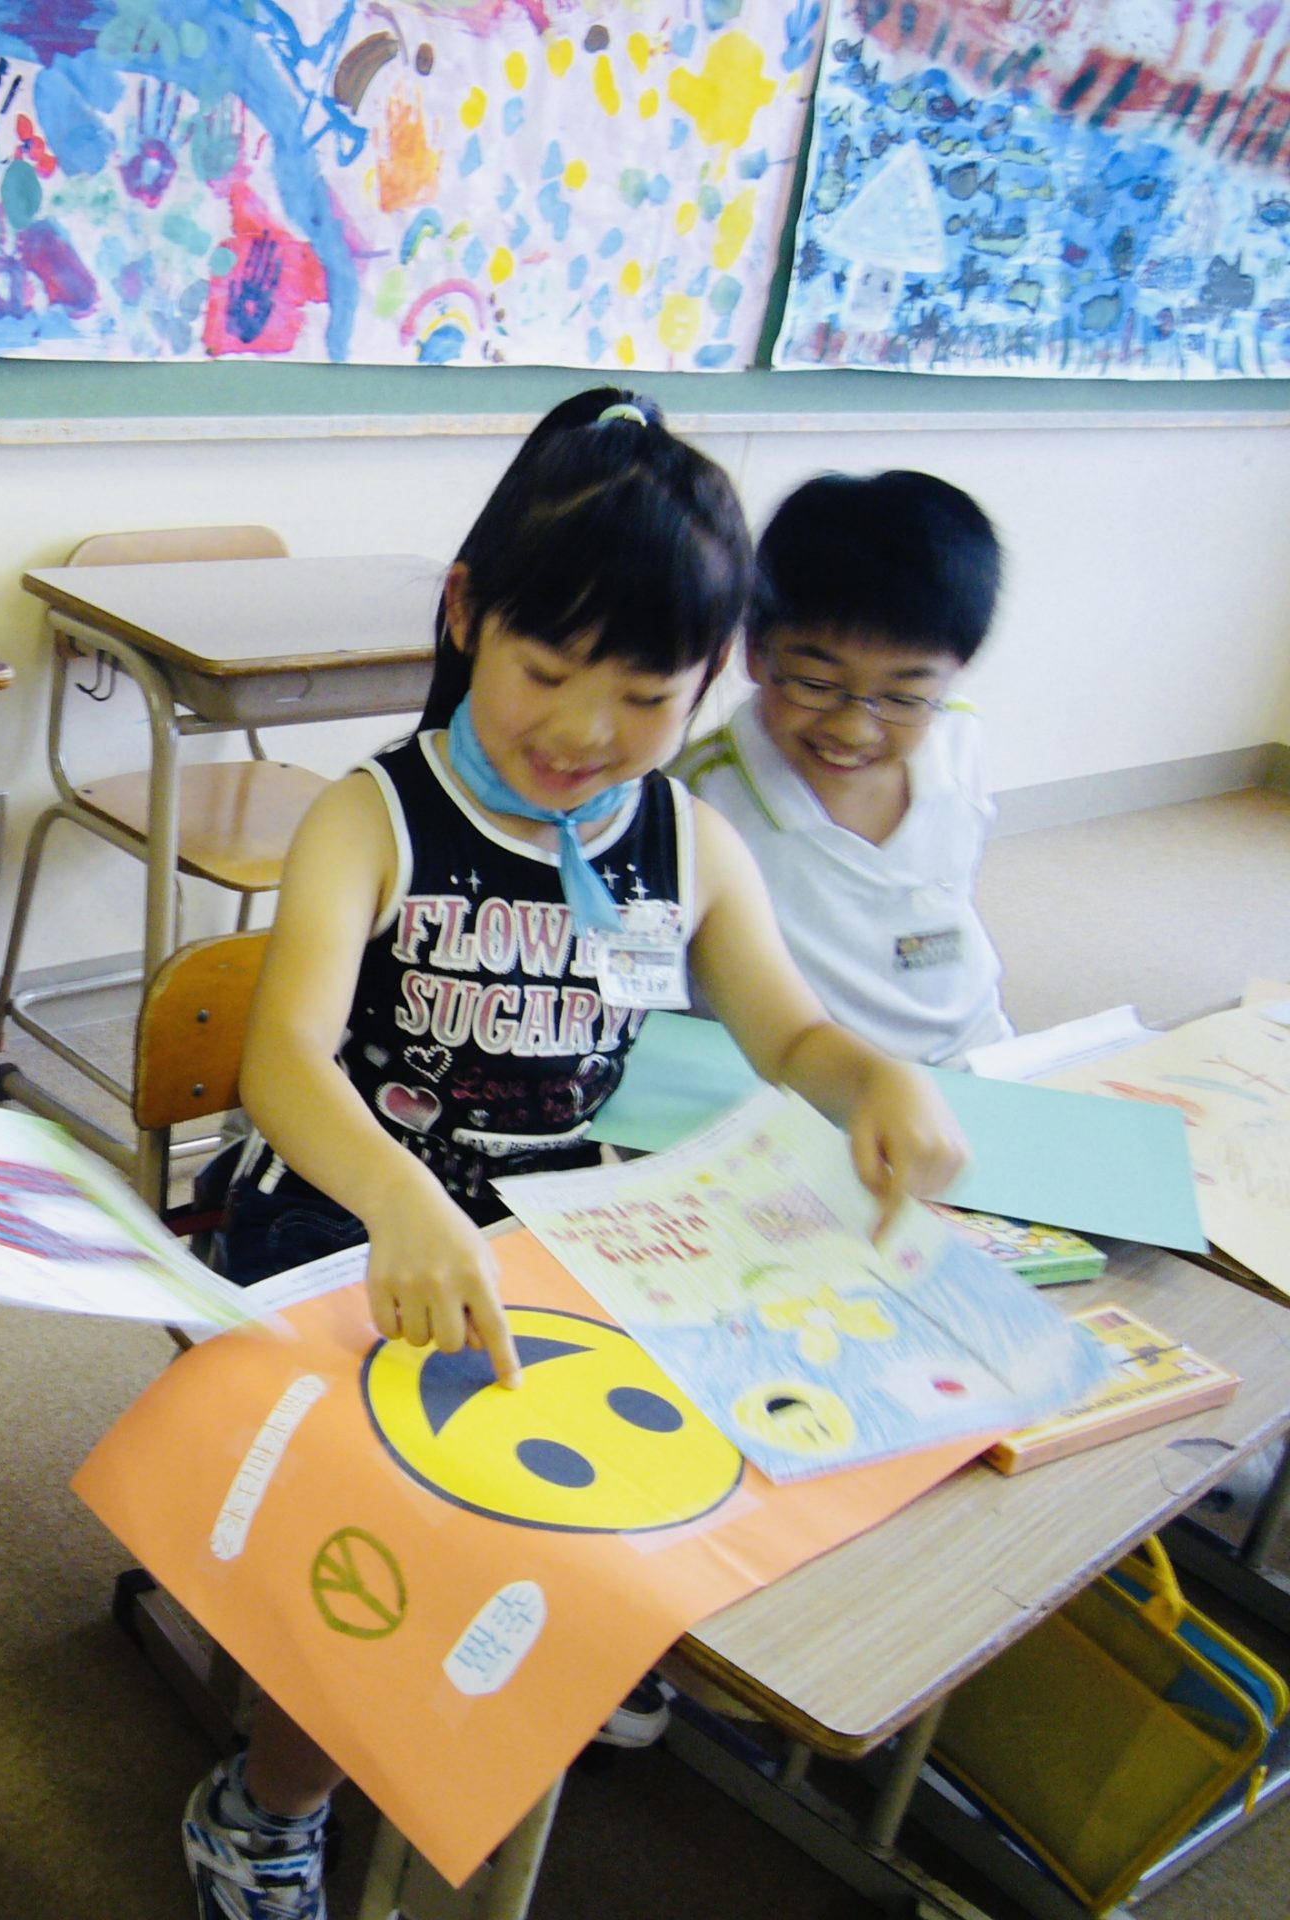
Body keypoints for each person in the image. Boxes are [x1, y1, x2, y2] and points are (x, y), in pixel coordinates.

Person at [183, 392, 968, 1920]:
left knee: (725, 1427)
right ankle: (268, 1803)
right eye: (547, 672)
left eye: (646, 695)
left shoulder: (687, 840)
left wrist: (872, 1077)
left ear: (709, 683)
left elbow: (791, 1035)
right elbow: (284, 1064)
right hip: (348, 1218)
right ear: (467, 617)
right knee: (404, 1507)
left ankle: (577, 1649)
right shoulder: (375, 816)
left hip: (555, 1233)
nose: (585, 731)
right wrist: (405, 1201)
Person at [674, 470, 1010, 1065]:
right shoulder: (698, 798)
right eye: (816, 683)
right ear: (755, 651)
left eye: (903, 697)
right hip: (808, 1078)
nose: (854, 729)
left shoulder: (959, 738)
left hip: (976, 1052)